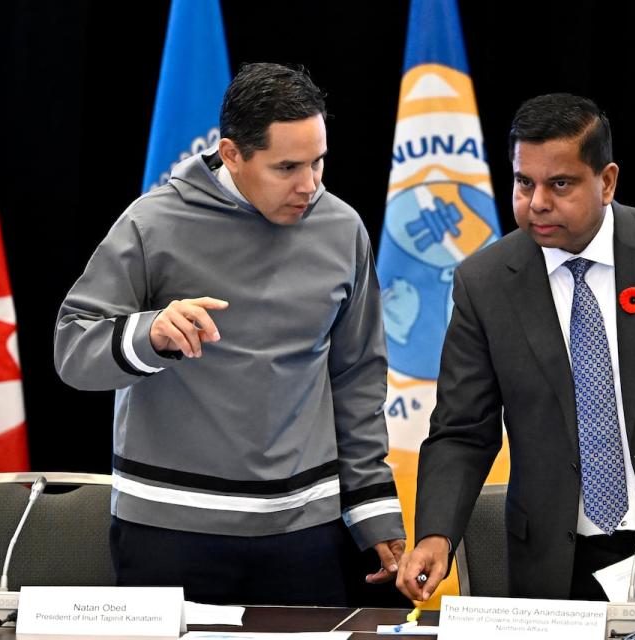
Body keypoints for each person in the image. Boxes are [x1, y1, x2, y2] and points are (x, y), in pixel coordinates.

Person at [397, 93, 635, 601]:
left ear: (606, 181)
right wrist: (436, 532)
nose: (537, 203)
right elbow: (462, 432)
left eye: (559, 184)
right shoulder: (485, 282)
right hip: (558, 568)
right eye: (523, 182)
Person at [54, 63, 406, 606]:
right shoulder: (153, 223)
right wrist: (149, 334)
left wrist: (373, 509)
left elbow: (357, 376)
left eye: (318, 162)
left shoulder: (342, 228)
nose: (308, 185)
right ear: (233, 153)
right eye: (287, 167)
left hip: (304, 531)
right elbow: (72, 349)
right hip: (169, 528)